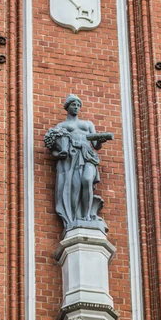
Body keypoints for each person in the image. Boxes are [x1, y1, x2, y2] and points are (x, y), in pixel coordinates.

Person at [45, 94, 113, 232]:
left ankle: (87, 215)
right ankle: (76, 217)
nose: (76, 107)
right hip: (72, 159)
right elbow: (54, 146)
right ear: (67, 107)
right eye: (73, 105)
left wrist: (100, 140)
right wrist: (59, 153)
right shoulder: (61, 126)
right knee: (75, 186)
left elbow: (96, 145)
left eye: (78, 105)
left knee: (87, 180)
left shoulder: (88, 125)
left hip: (88, 156)